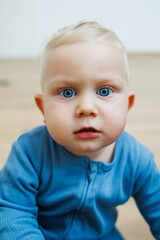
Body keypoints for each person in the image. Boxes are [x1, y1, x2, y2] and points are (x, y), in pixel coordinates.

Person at [0, 21, 160, 240]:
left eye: (104, 91)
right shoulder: (29, 152)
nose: (86, 108)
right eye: (67, 93)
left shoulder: (137, 159)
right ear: (43, 108)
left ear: (127, 105)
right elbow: (13, 214)